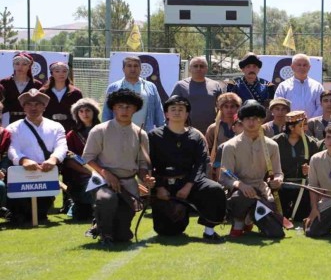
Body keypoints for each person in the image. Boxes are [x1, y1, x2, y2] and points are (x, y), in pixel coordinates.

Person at [148, 96, 226, 242]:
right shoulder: (154, 136)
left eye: (181, 109)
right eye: (173, 109)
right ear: (166, 114)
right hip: (164, 185)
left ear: (187, 114)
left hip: (189, 182)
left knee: (214, 189)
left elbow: (201, 164)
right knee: (168, 231)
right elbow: (149, 165)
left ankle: (209, 231)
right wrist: (159, 187)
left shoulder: (195, 136)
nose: (177, 112)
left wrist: (188, 186)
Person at [82, 89, 154, 245]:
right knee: (106, 199)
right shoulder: (99, 130)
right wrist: (106, 174)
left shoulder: (141, 134)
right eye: (120, 106)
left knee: (122, 236)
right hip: (103, 181)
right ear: (113, 108)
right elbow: (88, 158)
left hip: (128, 184)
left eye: (129, 107)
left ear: (135, 109)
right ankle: (105, 234)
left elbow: (142, 164)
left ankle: (100, 225)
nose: (124, 110)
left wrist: (145, 178)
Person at [220, 100, 286, 238]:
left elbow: (278, 172)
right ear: (241, 121)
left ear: (261, 120)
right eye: (248, 118)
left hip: (261, 192)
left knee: (276, 233)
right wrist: (240, 185)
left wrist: (278, 180)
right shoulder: (230, 146)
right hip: (239, 192)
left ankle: (250, 218)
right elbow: (225, 176)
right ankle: (238, 222)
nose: (251, 122)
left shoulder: (272, 145)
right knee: (240, 197)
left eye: (255, 118)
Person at [5, 89, 67, 225]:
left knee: (41, 212)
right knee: (21, 212)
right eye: (29, 104)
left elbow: (61, 146)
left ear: (44, 107)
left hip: (46, 171)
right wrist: (23, 160)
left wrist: (53, 159)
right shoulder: (13, 127)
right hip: (22, 172)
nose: (33, 108)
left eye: (38, 104)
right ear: (23, 107)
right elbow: (12, 149)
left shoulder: (56, 126)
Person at [273, 111, 320, 222]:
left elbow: (319, 165)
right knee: (279, 214)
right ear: (291, 127)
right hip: (280, 186)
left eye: (306, 124)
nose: (306, 128)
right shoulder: (275, 142)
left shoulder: (312, 143)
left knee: (300, 216)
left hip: (303, 186)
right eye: (301, 125)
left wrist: (311, 169)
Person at [62, 98, 101, 221]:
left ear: (94, 112)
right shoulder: (72, 135)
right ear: (77, 114)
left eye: (88, 110)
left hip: (104, 170)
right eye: (81, 111)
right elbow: (69, 161)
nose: (85, 114)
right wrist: (90, 172)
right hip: (81, 175)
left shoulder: (104, 130)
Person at [103, 56, 165, 131]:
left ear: (140, 69)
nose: (133, 69)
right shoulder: (113, 88)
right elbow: (107, 113)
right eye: (129, 66)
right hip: (119, 132)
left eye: (136, 66)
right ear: (123, 69)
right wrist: (105, 131)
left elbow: (158, 110)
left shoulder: (151, 87)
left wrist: (162, 130)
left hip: (144, 132)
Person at [171, 56, 224, 133]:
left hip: (210, 130)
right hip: (186, 130)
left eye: (202, 66)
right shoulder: (180, 86)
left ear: (206, 69)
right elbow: (171, 106)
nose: (199, 69)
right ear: (190, 69)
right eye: (195, 66)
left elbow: (222, 107)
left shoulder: (215, 85)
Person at [204, 92, 242, 179]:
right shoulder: (213, 128)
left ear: (237, 108)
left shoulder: (243, 126)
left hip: (239, 167)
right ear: (221, 108)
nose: (229, 110)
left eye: (232, 106)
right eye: (226, 107)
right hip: (219, 167)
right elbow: (207, 150)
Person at [274, 54, 324, 118]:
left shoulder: (317, 86)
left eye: (305, 65)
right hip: (289, 123)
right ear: (292, 67)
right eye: (299, 65)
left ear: (309, 67)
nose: (302, 67)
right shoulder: (283, 86)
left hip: (313, 123)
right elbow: (278, 105)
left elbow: (321, 106)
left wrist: (311, 121)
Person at [1, 52, 43, 126]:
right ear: (13, 65)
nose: (20, 67)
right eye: (17, 64)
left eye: (24, 64)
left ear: (29, 66)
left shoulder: (36, 84)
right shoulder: (4, 83)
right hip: (8, 119)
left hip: (30, 119)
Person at [40, 61, 83, 133]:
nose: (61, 74)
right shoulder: (43, 92)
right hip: (47, 129)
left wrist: (67, 117)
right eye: (57, 71)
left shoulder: (75, 93)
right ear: (52, 73)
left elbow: (80, 113)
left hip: (69, 129)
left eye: (64, 71)